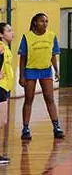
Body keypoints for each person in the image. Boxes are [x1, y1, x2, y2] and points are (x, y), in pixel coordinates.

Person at [18, 13, 63, 140]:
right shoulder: (27, 37)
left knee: (50, 99)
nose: (45, 23)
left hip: (46, 70)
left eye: (46, 21)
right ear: (35, 23)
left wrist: (56, 70)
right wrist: (22, 76)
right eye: (42, 21)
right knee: (29, 99)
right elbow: (23, 58)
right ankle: (26, 128)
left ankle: (56, 127)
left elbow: (53, 55)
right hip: (30, 71)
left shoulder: (51, 36)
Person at [0, 23, 14, 164]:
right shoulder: (1, 47)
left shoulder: (6, 48)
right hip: (0, 87)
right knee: (1, 121)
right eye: (9, 31)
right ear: (1, 34)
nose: (12, 33)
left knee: (2, 121)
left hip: (4, 88)